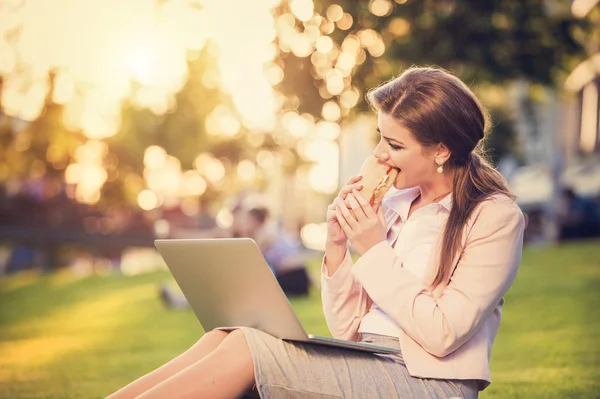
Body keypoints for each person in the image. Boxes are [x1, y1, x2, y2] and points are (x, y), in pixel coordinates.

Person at [106, 66, 525, 399]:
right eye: (380, 137)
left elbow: (443, 332)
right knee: (227, 334)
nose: (380, 153)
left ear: (441, 150)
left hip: (428, 383)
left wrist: (374, 248)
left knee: (246, 350)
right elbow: (348, 330)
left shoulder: (494, 218)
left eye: (395, 145)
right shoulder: (395, 205)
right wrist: (338, 247)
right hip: (369, 359)